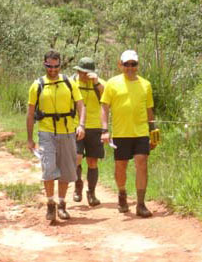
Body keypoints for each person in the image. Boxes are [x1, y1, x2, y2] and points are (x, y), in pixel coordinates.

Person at [26, 50, 86, 221]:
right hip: (46, 132)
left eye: (56, 66)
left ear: (60, 65)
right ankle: (50, 204)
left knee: (67, 169)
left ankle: (62, 204)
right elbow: (30, 114)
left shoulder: (69, 83)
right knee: (49, 167)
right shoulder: (37, 85)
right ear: (44, 64)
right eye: (49, 66)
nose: (52, 70)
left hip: (67, 132)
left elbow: (81, 105)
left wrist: (81, 125)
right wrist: (30, 139)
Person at [100, 50, 157, 218]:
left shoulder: (145, 84)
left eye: (133, 64)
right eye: (127, 64)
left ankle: (140, 204)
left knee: (142, 163)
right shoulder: (112, 83)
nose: (130, 67)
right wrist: (104, 130)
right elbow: (104, 107)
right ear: (120, 65)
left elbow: (149, 110)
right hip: (120, 133)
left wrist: (153, 131)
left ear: (137, 65)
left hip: (140, 132)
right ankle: (122, 193)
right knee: (121, 166)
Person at [70, 57, 106, 206]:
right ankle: (78, 187)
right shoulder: (71, 83)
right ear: (77, 71)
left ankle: (91, 193)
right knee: (76, 158)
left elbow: (108, 99)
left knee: (93, 161)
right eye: (81, 72)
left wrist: (97, 83)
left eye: (86, 72)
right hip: (75, 126)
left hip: (95, 127)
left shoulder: (101, 83)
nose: (83, 75)